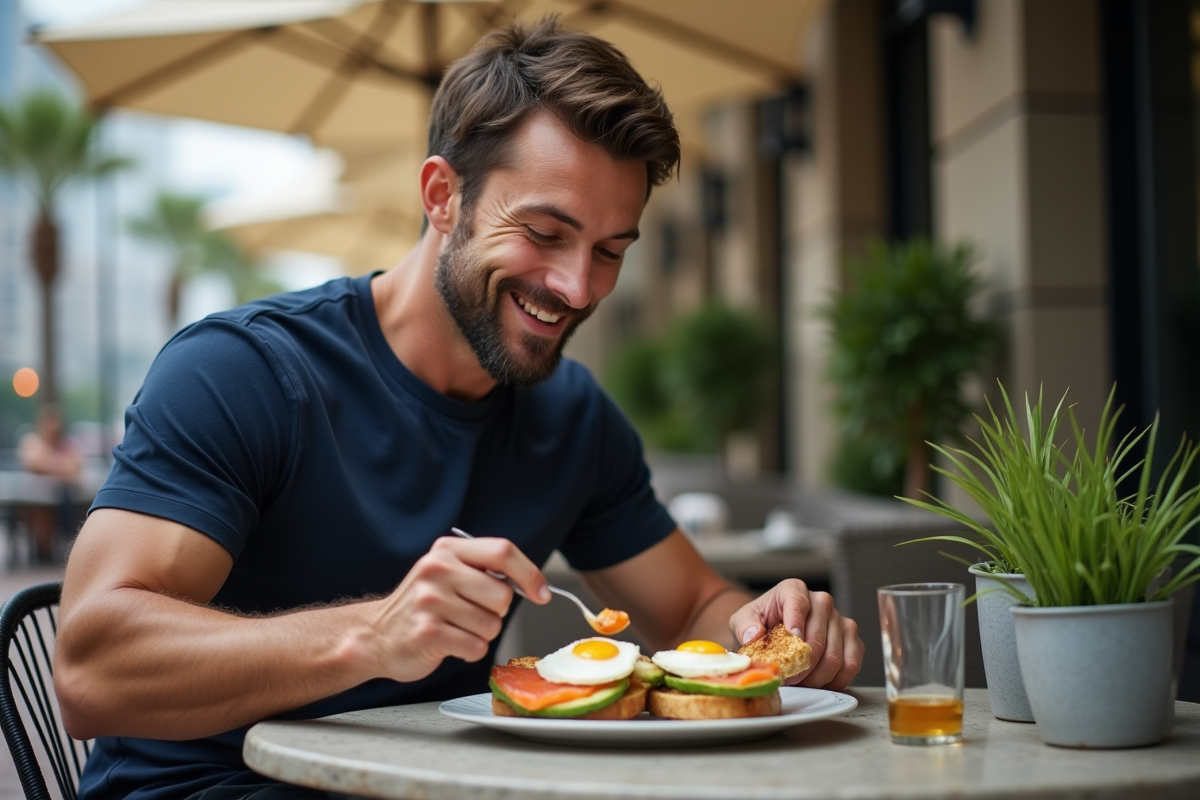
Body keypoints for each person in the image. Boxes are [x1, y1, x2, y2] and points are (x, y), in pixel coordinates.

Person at [56, 18, 863, 800]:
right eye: (544, 232)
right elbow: (91, 673)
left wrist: (763, 629)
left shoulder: (572, 418)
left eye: (610, 251)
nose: (577, 287)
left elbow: (689, 607)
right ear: (443, 196)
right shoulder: (243, 372)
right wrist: (372, 635)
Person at [17, 403, 81, 562]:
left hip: (64, 498)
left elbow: (73, 470)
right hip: (35, 498)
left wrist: (48, 465)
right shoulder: (32, 440)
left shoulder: (68, 444)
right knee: (41, 511)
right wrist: (60, 467)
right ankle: (44, 552)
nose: (52, 426)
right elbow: (34, 463)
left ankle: (63, 550)